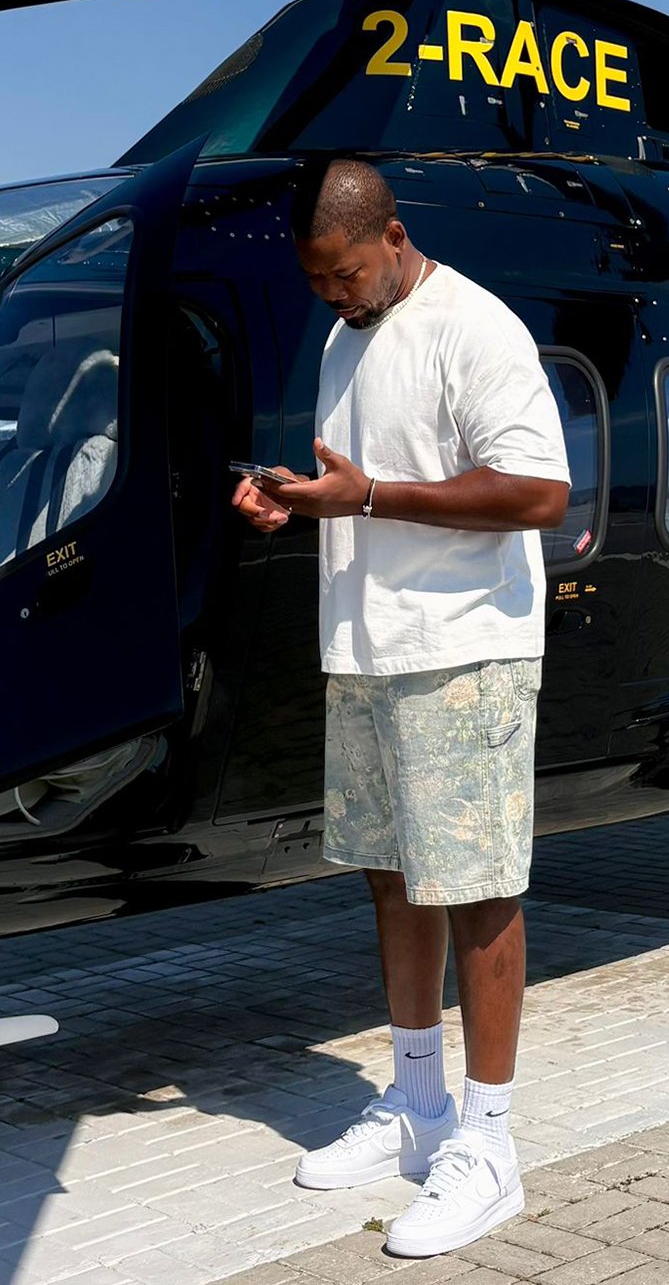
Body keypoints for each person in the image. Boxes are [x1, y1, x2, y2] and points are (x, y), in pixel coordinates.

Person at [232, 159, 569, 1258]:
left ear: (391, 235)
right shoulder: (348, 335)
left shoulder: (473, 327)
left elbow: (539, 490)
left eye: (343, 273)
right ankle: (417, 1103)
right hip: (367, 648)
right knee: (392, 875)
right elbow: (364, 480)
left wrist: (365, 495)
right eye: (315, 280)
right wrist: (296, 499)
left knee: (475, 889)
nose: (331, 294)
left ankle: (489, 1145)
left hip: (462, 651)